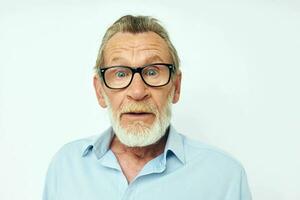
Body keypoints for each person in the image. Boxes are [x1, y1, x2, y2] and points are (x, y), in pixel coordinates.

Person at [43, 15, 252, 200]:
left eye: (152, 72)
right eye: (121, 73)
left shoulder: (225, 176)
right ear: (100, 91)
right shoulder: (66, 166)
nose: (137, 91)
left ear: (176, 87)